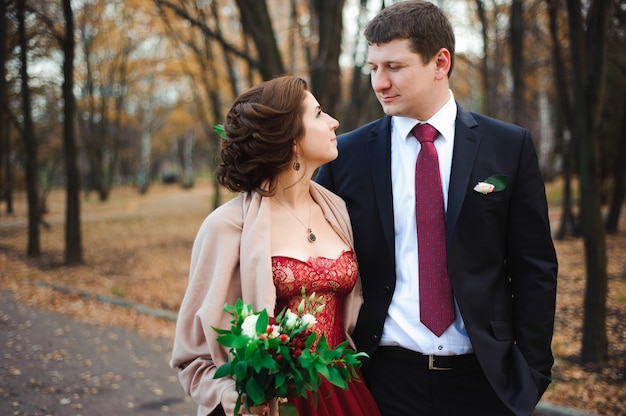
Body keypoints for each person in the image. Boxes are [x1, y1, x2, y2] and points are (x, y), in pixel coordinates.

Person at [316, 2, 558, 415]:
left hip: (485, 379)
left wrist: (532, 372)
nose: (380, 82)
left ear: (440, 63)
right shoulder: (347, 156)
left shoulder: (507, 146)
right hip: (382, 377)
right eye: (373, 68)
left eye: (394, 66)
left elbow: (534, 266)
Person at [170, 75, 380, 416]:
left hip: (343, 391)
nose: (333, 122)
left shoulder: (337, 210)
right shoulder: (226, 228)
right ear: (291, 139)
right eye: (318, 114)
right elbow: (190, 355)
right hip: (275, 403)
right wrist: (233, 395)